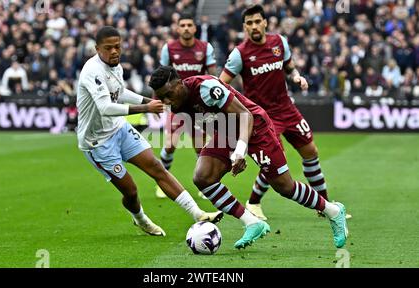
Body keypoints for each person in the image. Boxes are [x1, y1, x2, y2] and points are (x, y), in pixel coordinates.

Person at [149, 66, 348, 249]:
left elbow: (245, 115)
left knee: (284, 187)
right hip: (227, 132)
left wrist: (240, 150)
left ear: (179, 83)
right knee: (203, 177)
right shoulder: (175, 103)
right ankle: (252, 223)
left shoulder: (206, 88)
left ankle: (333, 211)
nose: (166, 101)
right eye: (161, 97)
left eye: (168, 94)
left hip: (255, 127)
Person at [76, 26, 223, 237]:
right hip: (96, 142)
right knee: (131, 190)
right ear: (97, 48)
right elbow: (105, 108)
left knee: (157, 167)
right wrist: (147, 108)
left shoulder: (115, 66)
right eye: (108, 48)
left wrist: (148, 101)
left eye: (117, 46)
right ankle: (141, 219)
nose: (114, 51)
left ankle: (198, 214)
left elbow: (120, 92)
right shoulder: (92, 72)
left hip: (119, 130)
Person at [219, 4, 351, 220]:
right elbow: (222, 85)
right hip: (263, 116)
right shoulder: (239, 54)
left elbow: (290, 68)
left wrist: (297, 77)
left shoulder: (279, 43)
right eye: (249, 23)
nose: (254, 26)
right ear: (244, 27)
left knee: (311, 151)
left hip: (287, 108)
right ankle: (253, 202)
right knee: (273, 161)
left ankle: (324, 205)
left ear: (265, 23)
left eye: (257, 21)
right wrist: (238, 110)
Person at [156, 13, 217, 199]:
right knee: (170, 145)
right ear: (177, 28)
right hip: (176, 106)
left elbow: (213, 76)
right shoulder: (169, 48)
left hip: (198, 106)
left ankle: (204, 184)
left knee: (200, 147)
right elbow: (160, 76)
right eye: (182, 25)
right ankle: (162, 182)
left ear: (195, 28)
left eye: (189, 25)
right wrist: (159, 100)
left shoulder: (205, 48)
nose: (186, 28)